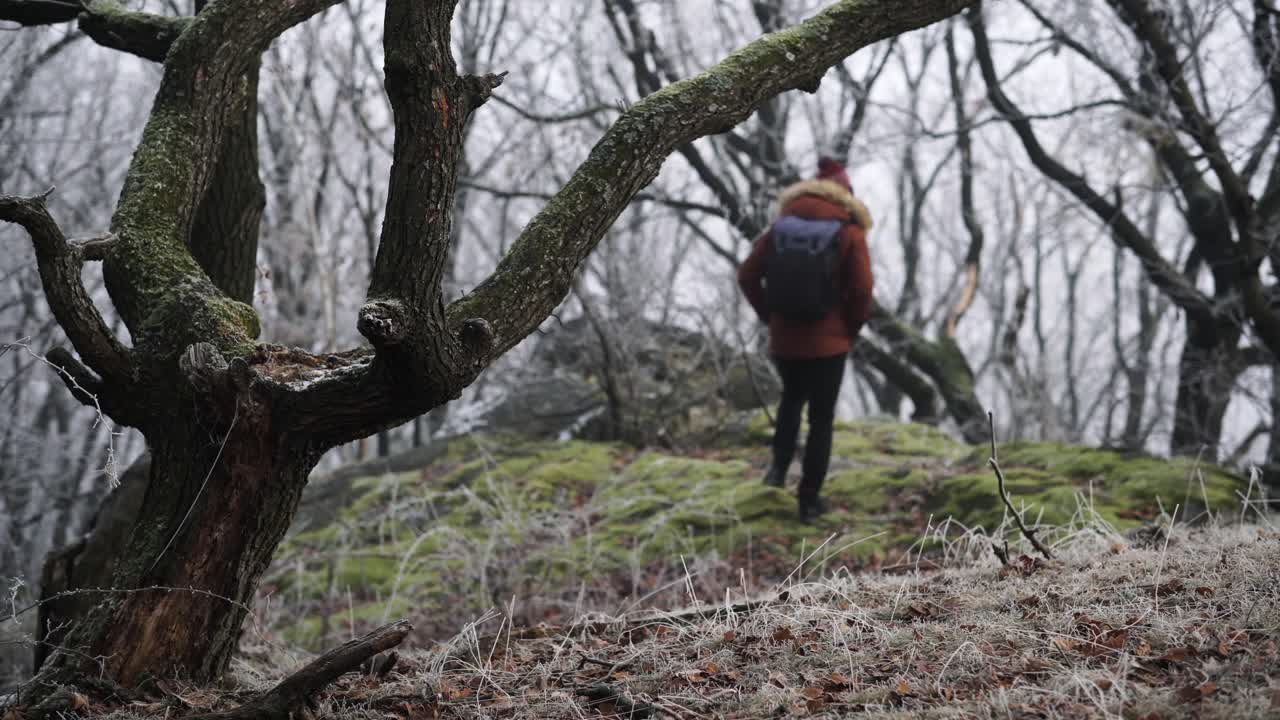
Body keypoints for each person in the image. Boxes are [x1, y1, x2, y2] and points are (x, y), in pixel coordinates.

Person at [737, 156, 874, 523]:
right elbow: (862, 289)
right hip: (830, 344)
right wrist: (851, 327)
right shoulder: (849, 231)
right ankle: (809, 501)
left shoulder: (780, 227)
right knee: (822, 419)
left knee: (790, 402)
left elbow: (747, 275)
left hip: (785, 340)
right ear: (845, 195)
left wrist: (770, 316)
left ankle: (777, 471)